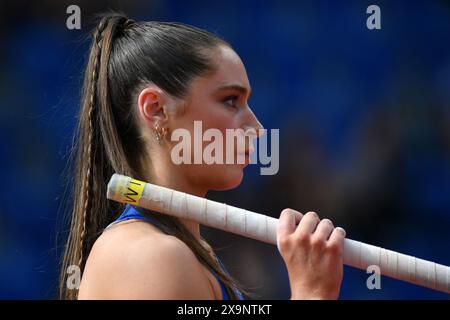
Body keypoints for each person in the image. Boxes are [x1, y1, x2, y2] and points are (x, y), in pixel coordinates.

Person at [60, 12, 346, 300]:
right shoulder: (151, 256)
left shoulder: (186, 250)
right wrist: (312, 294)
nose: (257, 128)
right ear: (156, 109)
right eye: (230, 100)